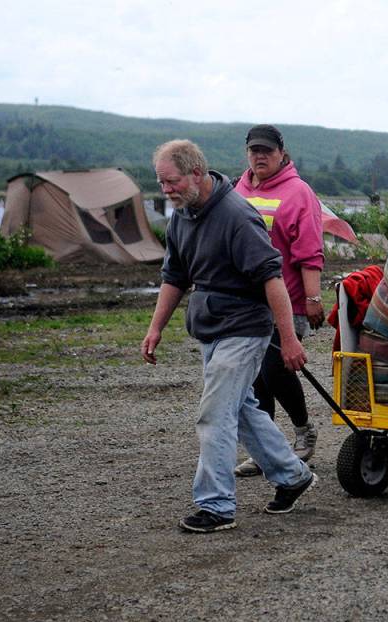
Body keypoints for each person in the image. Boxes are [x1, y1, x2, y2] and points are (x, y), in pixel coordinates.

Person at [142, 139, 317, 533]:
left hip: (245, 327)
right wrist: (155, 328)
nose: (166, 191)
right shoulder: (182, 215)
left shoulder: (238, 216)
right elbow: (175, 277)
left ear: (196, 173)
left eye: (171, 182)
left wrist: (289, 339)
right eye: (161, 183)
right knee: (241, 410)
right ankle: (293, 476)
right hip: (211, 327)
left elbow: (272, 279)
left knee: (214, 415)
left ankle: (216, 505)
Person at [232, 125, 324, 478]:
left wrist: (313, 298)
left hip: (288, 301)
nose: (260, 157)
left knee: (277, 369)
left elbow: (309, 251)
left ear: (282, 152)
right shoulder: (237, 190)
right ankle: (265, 449)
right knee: (255, 380)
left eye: (266, 151)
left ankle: (304, 430)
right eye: (254, 150)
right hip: (246, 304)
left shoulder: (299, 193)